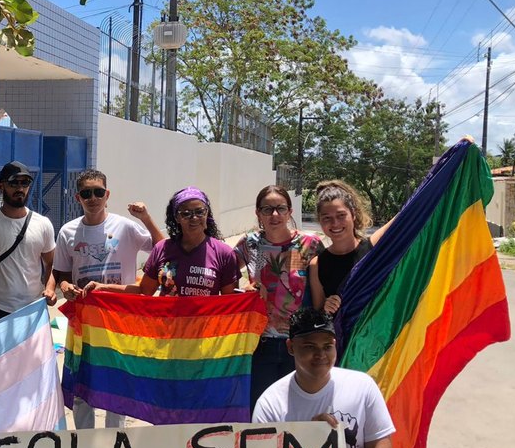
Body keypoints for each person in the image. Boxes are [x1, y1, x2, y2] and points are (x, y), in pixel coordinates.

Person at [253, 309, 433, 448]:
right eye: (309, 347)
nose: (320, 354)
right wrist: (307, 439)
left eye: (327, 346)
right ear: (291, 347)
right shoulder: (270, 404)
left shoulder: (362, 386)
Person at [52, 169, 162, 429]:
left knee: (118, 384)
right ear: (78, 198)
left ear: (107, 194)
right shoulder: (68, 232)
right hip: (86, 321)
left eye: (98, 192)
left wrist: (145, 217)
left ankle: (114, 441)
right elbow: (62, 275)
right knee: (82, 384)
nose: (93, 198)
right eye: (87, 193)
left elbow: (161, 248)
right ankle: (86, 444)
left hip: (120, 318)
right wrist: (66, 287)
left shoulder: (125, 226)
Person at [234, 185, 323, 409]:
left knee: (298, 412)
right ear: (258, 213)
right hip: (259, 344)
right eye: (267, 209)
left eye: (280, 208)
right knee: (261, 411)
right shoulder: (250, 244)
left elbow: (328, 281)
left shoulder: (309, 245)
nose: (274, 215)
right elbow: (225, 277)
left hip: (300, 343)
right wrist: (244, 292)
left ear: (290, 211)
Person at [89, 186, 238, 297]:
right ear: (177, 218)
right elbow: (144, 290)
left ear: (207, 214)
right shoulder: (162, 249)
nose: (194, 218)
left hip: (206, 336)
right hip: (166, 334)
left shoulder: (224, 254)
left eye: (200, 212)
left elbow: (229, 303)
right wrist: (102, 287)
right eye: (186, 213)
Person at [0, 161, 56, 326]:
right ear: (1, 187)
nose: (20, 188)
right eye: (14, 183)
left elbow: (52, 263)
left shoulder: (43, 224)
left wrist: (50, 288)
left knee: (34, 354)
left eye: (25, 183)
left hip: (33, 308)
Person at [309, 180, 390, 315]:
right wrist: (326, 307)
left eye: (341, 215)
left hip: (377, 333)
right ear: (320, 221)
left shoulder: (373, 247)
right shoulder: (316, 264)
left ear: (353, 214)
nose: (335, 223)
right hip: (340, 335)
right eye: (327, 218)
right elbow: (318, 313)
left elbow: (409, 214)